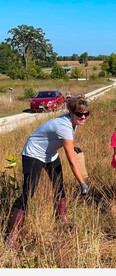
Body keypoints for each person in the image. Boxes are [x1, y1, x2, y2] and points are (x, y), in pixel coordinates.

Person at [7, 96, 90, 247]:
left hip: (50, 154)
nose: (83, 117)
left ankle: (62, 219)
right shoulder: (64, 125)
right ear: (71, 112)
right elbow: (72, 162)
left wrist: (72, 146)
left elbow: (62, 140)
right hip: (33, 153)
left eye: (86, 114)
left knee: (59, 186)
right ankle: (13, 233)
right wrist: (82, 183)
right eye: (79, 114)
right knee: (28, 192)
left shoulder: (72, 122)